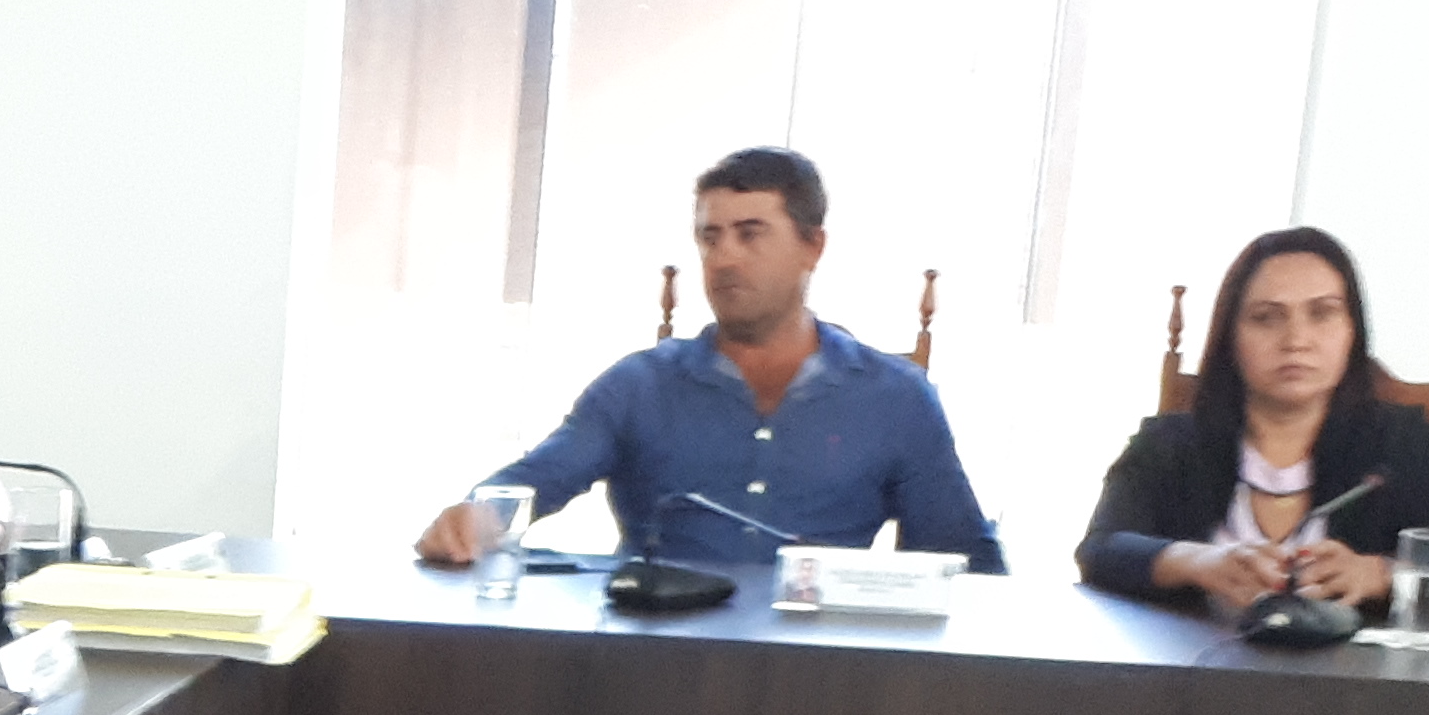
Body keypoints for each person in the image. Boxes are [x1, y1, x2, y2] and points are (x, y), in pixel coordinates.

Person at [419, 148, 1002, 571]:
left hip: (823, 669)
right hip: (657, 654)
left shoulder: (895, 397)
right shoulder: (641, 385)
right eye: (710, 237)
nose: (724, 258)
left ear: (813, 246)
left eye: (750, 234)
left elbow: (960, 560)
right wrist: (474, 520)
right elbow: (533, 484)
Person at [1081, 228, 1429, 620]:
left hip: (1351, 673)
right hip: (1189, 669)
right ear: (1230, 337)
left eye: (1322, 314)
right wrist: (1198, 561)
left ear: (1352, 332)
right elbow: (1101, 550)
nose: (1296, 340)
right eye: (1266, 317)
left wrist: (1380, 573)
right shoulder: (1170, 444)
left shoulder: (1408, 447)